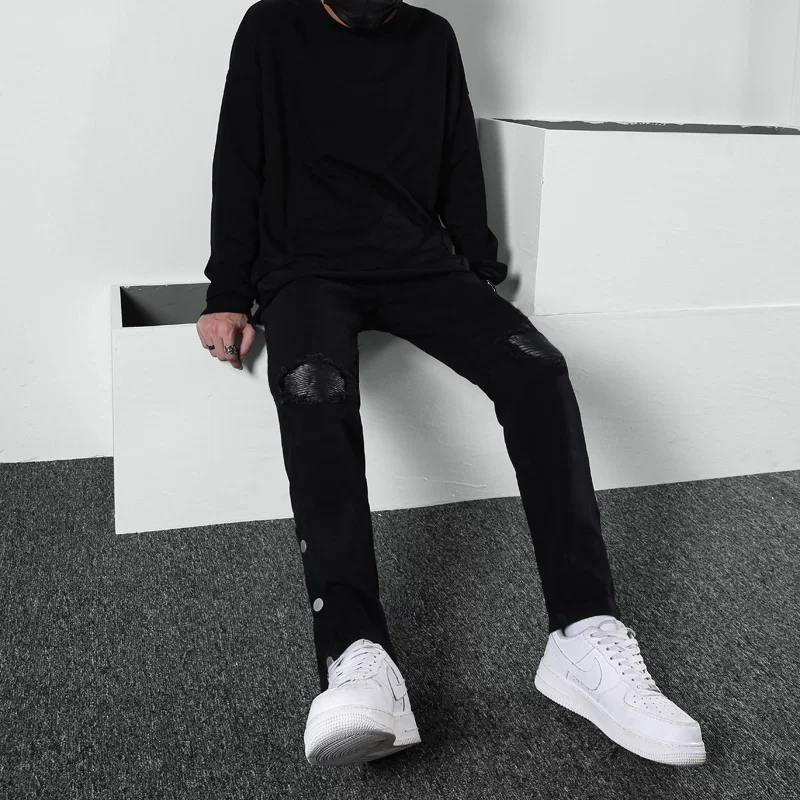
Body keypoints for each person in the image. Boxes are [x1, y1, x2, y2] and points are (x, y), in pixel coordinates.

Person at [195, 0, 706, 769]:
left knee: (537, 369)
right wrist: (227, 292)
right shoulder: (272, 26)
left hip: (420, 265)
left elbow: (456, 156)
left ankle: (583, 632)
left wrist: (478, 270)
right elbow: (238, 157)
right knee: (313, 387)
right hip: (305, 271)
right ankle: (356, 655)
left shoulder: (433, 37)